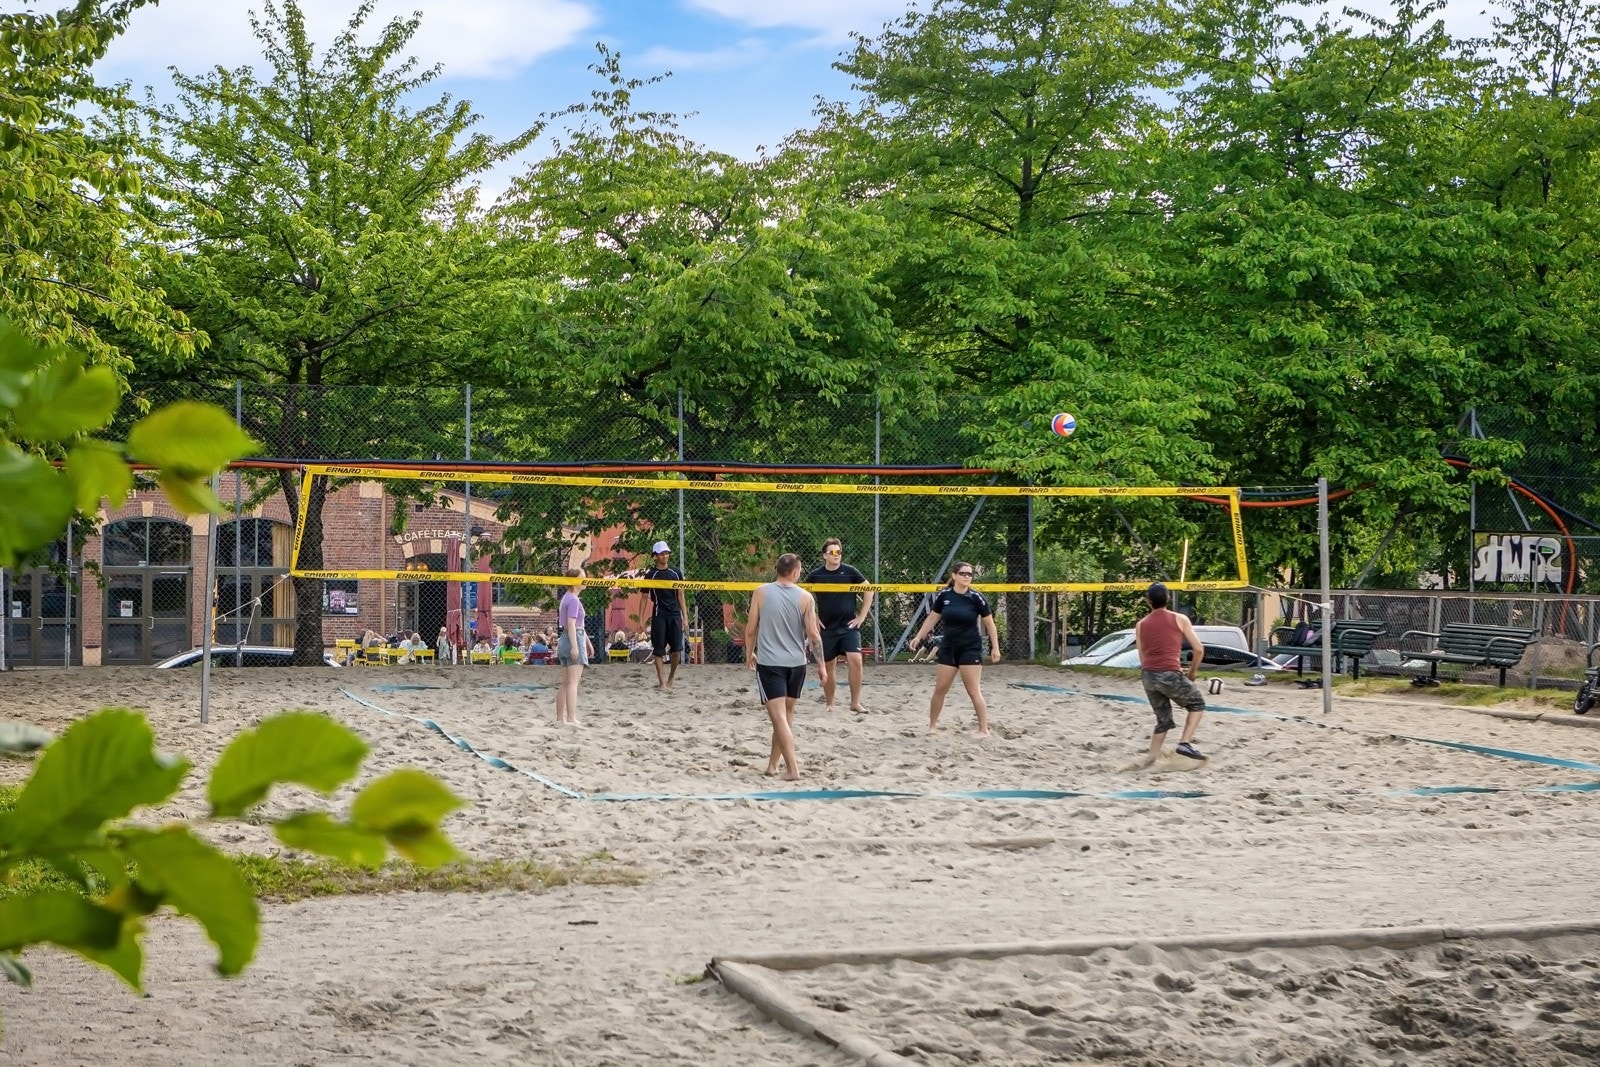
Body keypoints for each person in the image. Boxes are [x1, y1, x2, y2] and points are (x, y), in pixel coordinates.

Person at [745, 553, 827, 781]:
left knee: (779, 718)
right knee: (785, 716)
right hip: (797, 664)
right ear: (795, 572)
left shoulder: (761, 592)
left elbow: (750, 629)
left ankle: (792, 769)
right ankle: (773, 765)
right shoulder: (806, 597)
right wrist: (822, 666)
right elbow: (814, 635)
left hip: (771, 663)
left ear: (778, 570)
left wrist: (749, 653)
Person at [907, 562, 1000, 736]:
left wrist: (995, 647)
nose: (967, 576)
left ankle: (983, 729)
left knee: (973, 691)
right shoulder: (944, 596)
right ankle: (932, 727)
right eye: (963, 573)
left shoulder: (976, 597)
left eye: (970, 574)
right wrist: (918, 637)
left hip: (970, 648)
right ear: (954, 575)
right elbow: (932, 618)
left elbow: (989, 623)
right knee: (940, 689)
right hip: (949, 648)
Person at [1134, 581, 1207, 763]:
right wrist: (1192, 672)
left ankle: (1150, 759)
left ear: (1148, 601)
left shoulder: (1141, 624)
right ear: (1168, 598)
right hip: (1168, 673)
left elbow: (1142, 655)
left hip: (1148, 675)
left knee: (1163, 720)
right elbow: (1198, 649)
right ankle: (1184, 743)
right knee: (1197, 703)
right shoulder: (1180, 619)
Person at [805, 537, 875, 714]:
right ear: (825, 556)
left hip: (848, 626)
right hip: (826, 627)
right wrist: (813, 615)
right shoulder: (816, 575)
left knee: (856, 660)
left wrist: (862, 616)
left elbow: (869, 589)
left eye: (839, 552)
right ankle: (830, 703)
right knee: (829, 666)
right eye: (833, 552)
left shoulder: (850, 571)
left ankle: (855, 703)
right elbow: (803, 594)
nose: (836, 555)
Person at [634, 541, 689, 691]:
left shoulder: (676, 573)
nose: (665, 556)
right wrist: (641, 620)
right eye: (662, 554)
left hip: (675, 615)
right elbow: (644, 598)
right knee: (658, 650)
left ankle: (671, 678)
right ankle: (662, 682)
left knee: (677, 649)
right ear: (655, 556)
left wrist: (685, 617)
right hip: (659, 615)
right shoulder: (651, 575)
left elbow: (681, 595)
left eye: (666, 553)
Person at [555, 567, 595, 724]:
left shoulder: (566, 597)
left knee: (565, 683)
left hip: (566, 638)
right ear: (574, 581)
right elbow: (572, 625)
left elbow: (577, 625)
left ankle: (560, 718)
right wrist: (575, 646)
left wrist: (588, 642)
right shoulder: (573, 600)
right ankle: (571, 717)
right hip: (573, 638)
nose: (585, 581)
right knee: (573, 683)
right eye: (582, 578)